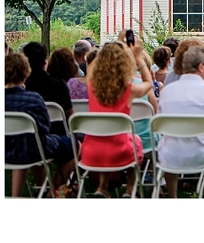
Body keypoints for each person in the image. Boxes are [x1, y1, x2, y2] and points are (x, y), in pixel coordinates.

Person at [80, 41, 153, 197]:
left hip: (92, 151)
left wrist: (100, 55)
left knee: (107, 141)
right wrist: (139, 58)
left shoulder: (91, 85)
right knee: (136, 141)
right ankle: (130, 189)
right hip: (120, 151)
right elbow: (148, 83)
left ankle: (102, 186)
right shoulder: (129, 89)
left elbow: (90, 70)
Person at [157, 46, 204, 198]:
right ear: (200, 67)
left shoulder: (167, 91)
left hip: (169, 155)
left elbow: (161, 126)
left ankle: (173, 195)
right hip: (202, 154)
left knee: (169, 147)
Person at [6, 52, 77, 197]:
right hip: (32, 149)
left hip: (7, 150)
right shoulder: (33, 99)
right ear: (25, 72)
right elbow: (44, 128)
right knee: (76, 145)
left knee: (30, 143)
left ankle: (21, 195)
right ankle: (52, 190)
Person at [21, 42, 73, 136]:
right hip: (57, 134)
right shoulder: (59, 85)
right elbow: (70, 116)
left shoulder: (21, 87)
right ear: (45, 61)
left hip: (26, 136)